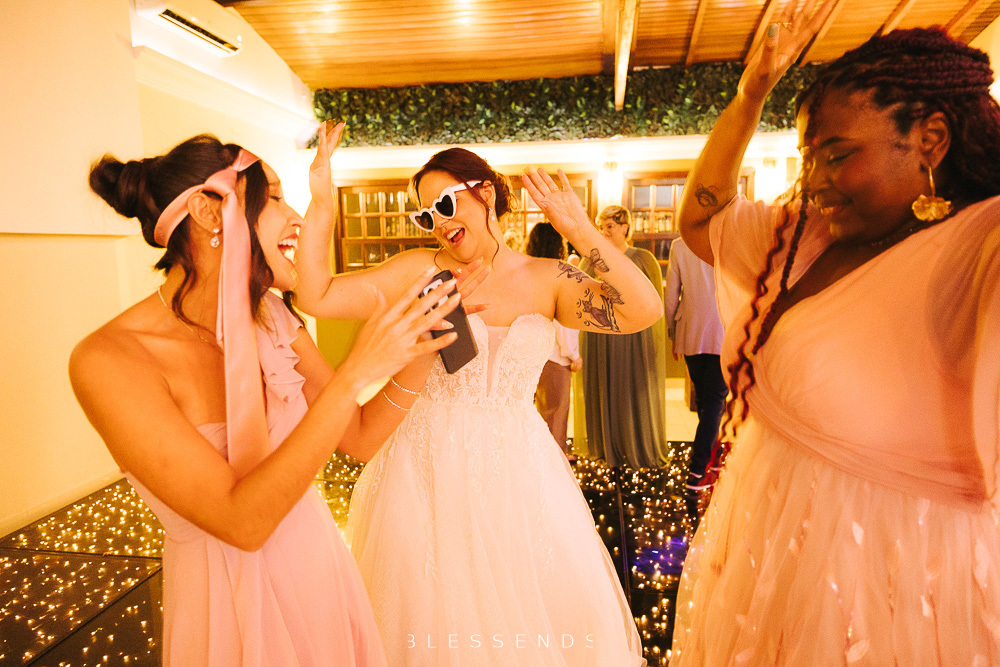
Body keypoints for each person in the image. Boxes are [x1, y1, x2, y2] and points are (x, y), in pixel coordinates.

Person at [670, 4, 1000, 663]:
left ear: (931, 140)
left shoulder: (979, 244)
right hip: (768, 548)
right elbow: (701, 222)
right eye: (810, 157)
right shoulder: (806, 237)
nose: (816, 180)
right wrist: (750, 96)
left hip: (897, 576)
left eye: (839, 155)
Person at [70, 126, 465, 666]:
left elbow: (360, 437)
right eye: (275, 198)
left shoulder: (271, 315)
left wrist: (426, 341)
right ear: (209, 212)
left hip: (320, 575)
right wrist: (356, 370)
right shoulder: (108, 360)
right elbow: (244, 523)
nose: (297, 218)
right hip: (226, 610)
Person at [295, 142, 662, 665]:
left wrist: (581, 231)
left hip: (519, 473)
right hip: (424, 471)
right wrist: (321, 204)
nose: (439, 223)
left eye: (446, 204)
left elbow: (643, 309)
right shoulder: (418, 270)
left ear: (485, 193)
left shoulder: (548, 278)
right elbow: (316, 296)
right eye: (427, 216)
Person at [579, 205, 669, 470]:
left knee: (632, 390)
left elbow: (654, 306)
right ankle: (605, 446)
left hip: (635, 336)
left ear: (625, 227)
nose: (604, 232)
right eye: (601, 227)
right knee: (602, 386)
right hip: (600, 334)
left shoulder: (643, 259)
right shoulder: (590, 261)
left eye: (609, 226)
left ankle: (634, 444)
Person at [663, 236, 726, 493]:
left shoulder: (680, 245)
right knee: (714, 400)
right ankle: (699, 468)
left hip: (690, 329)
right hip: (724, 327)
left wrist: (672, 332)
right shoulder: (730, 239)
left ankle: (711, 458)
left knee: (705, 398)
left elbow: (671, 294)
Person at [524, 221, 582, 454]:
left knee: (538, 412)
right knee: (557, 413)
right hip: (555, 357)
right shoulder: (559, 276)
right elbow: (564, 323)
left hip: (531, 355)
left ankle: (540, 457)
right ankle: (556, 461)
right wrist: (574, 355)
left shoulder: (527, 273)